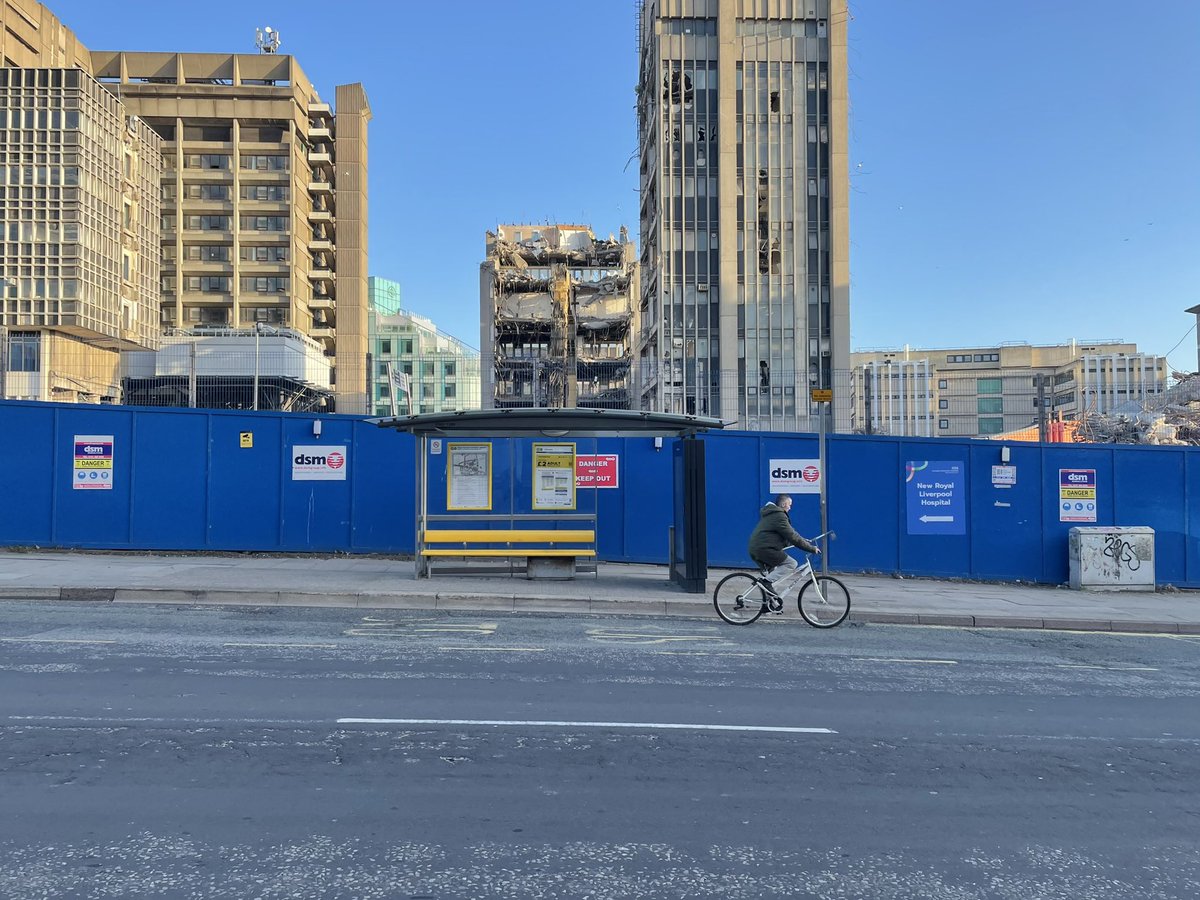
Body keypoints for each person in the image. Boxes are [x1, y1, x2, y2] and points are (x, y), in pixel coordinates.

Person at [747, 494, 819, 603]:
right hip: (764, 549)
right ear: (784, 504)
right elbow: (793, 536)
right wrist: (811, 548)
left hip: (759, 547)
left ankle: (768, 604)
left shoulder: (774, 515)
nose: (790, 507)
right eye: (790, 505)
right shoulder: (779, 516)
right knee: (791, 564)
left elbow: (791, 533)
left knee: (772, 577)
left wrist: (805, 541)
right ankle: (765, 582)